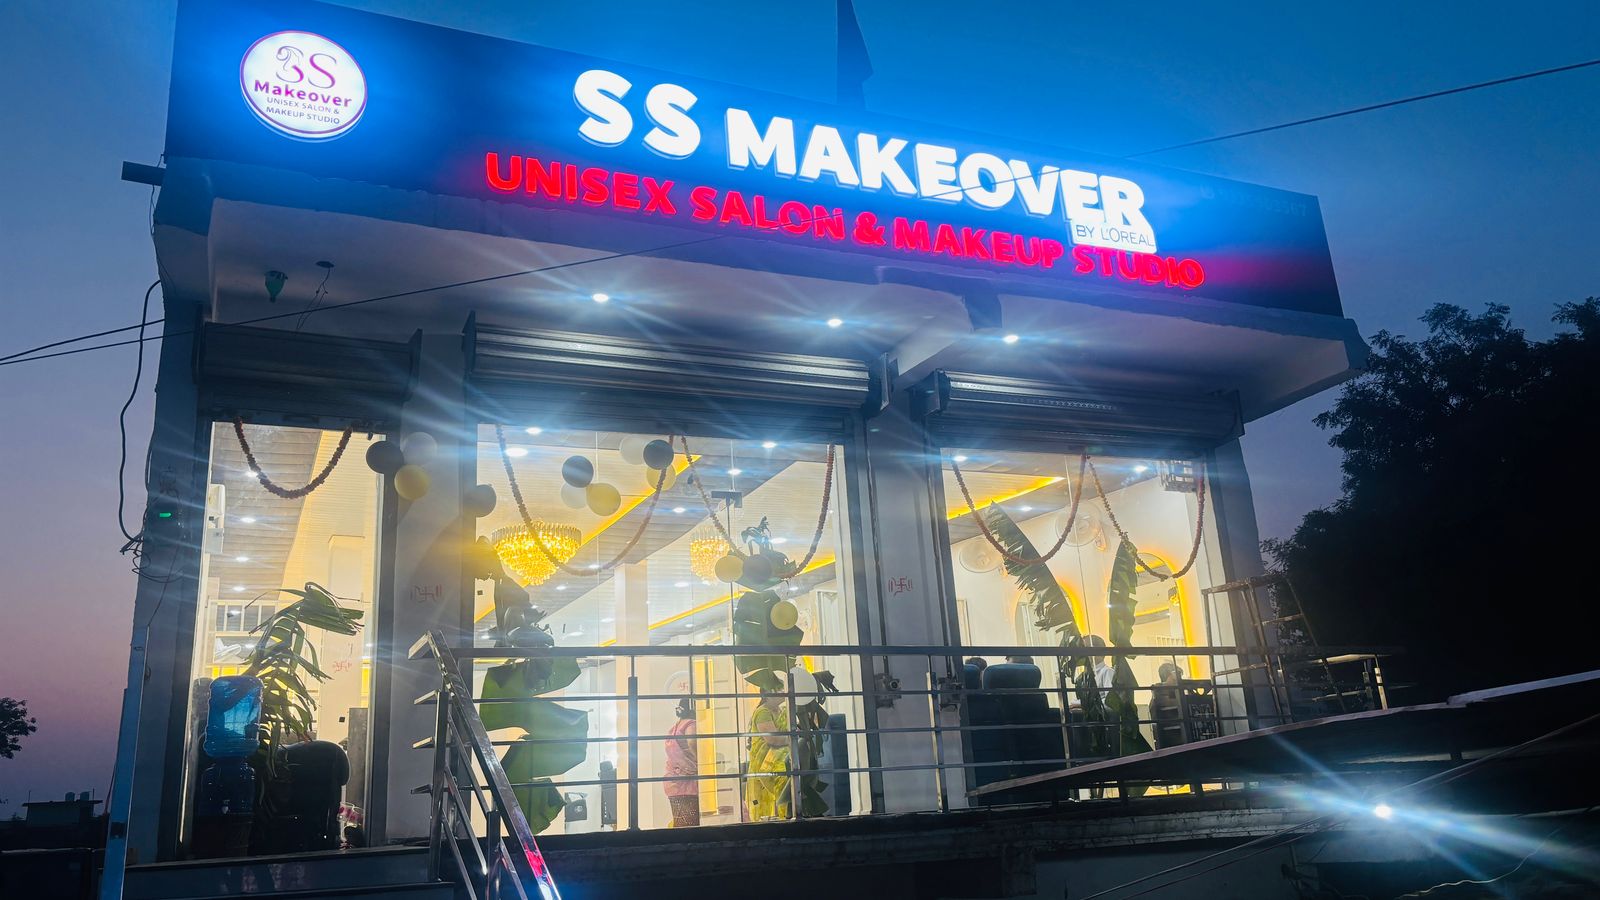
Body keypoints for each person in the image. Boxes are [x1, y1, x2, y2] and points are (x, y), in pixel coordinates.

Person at [745, 688, 792, 821]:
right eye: (778, 689)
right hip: (765, 765)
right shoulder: (763, 713)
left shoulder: (783, 711)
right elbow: (773, 739)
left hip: (781, 760)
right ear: (769, 694)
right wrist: (792, 739)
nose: (782, 691)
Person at [664, 697, 699, 827]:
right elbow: (692, 742)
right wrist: (700, 760)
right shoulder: (690, 724)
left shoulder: (674, 728)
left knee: (682, 824)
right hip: (687, 783)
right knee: (691, 825)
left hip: (673, 782)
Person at [1148, 662, 1187, 749]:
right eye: (1176, 677)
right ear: (1168, 676)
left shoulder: (1161, 695)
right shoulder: (1160, 698)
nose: (1179, 681)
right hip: (1174, 744)